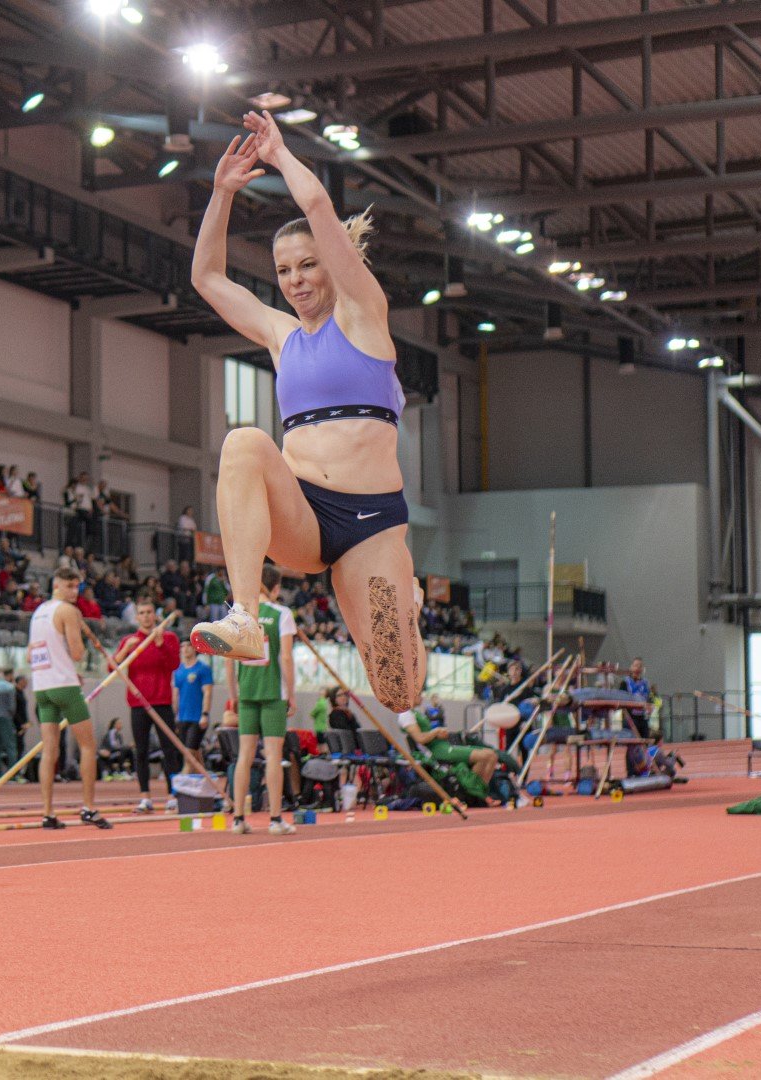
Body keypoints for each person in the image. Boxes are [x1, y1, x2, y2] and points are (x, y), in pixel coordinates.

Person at [187, 113, 425, 720]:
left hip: (369, 524)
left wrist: (281, 155)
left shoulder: (366, 316)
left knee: (399, 692)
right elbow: (207, 277)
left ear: (334, 264)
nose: (294, 281)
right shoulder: (280, 335)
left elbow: (317, 204)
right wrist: (221, 195)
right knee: (242, 441)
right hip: (304, 514)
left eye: (308, 266)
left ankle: (409, 604)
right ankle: (245, 616)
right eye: (284, 271)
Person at [28, 566, 111, 830]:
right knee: (88, 746)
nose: (75, 592)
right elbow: (76, 653)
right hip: (63, 687)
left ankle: (47, 813)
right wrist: (84, 649)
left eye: (77, 587)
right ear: (56, 585)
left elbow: (32, 654)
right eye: (70, 587)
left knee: (49, 750)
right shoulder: (68, 612)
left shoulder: (38, 612)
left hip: (42, 688)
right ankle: (88, 808)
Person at [224, 563, 297, 835]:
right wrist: (291, 694)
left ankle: (238, 818)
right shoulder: (282, 614)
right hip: (272, 694)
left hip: (247, 694)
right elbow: (287, 658)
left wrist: (233, 696)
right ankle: (276, 820)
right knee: (273, 756)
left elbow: (228, 662)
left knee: (244, 756)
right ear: (276, 588)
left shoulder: (239, 615)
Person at [115, 598, 183, 813]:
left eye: (149, 612)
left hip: (162, 702)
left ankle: (173, 795)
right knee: (141, 752)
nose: (145, 616)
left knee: (169, 751)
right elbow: (112, 668)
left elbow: (174, 665)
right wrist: (125, 650)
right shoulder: (130, 640)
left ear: (155, 615)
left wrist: (161, 645)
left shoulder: (168, 637)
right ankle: (145, 798)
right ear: (137, 617)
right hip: (139, 704)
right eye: (142, 612)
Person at [402, 700, 492, 801]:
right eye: (418, 693)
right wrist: (436, 731)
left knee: (491, 755)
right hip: (438, 751)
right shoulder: (406, 715)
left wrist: (440, 733)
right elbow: (420, 739)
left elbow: (427, 735)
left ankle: (478, 793)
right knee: (485, 756)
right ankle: (478, 796)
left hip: (444, 745)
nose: (421, 696)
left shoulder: (416, 713)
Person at [173, 642, 214, 751]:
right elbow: (176, 695)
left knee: (189, 753)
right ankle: (201, 769)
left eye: (188, 645)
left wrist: (205, 714)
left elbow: (207, 692)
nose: (185, 649)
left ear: (195, 648)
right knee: (192, 754)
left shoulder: (203, 669)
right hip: (182, 718)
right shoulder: (178, 672)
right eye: (182, 646)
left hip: (197, 718)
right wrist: (175, 714)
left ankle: (185, 769)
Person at [0, 668, 19, 777]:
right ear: (11, 675)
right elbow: (12, 707)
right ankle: (12, 774)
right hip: (5, 717)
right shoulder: (10, 688)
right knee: (10, 746)